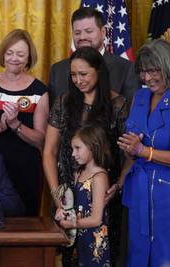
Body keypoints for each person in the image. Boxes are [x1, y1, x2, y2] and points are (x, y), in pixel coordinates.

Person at [43, 46, 128, 266]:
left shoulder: (118, 105)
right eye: (73, 75)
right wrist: (57, 194)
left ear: (98, 71)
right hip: (67, 196)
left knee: (101, 255)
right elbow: (49, 152)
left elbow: (130, 155)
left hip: (103, 196)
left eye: (83, 74)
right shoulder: (63, 102)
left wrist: (118, 184)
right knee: (68, 256)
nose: (78, 80)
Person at [0, 29, 49, 216]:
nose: (14, 58)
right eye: (10, 53)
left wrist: (16, 125)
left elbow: (41, 140)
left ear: (29, 57)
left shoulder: (39, 91)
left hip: (25, 170)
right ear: (3, 54)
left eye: (20, 54)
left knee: (24, 224)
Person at [117, 39, 170, 267]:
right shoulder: (140, 97)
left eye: (153, 70)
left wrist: (144, 151)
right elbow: (134, 149)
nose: (147, 78)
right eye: (143, 72)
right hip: (138, 191)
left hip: (165, 196)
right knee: (137, 256)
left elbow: (142, 149)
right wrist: (119, 182)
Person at [49, 7, 138, 105]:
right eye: (77, 33)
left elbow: (131, 112)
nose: (82, 37)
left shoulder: (126, 68)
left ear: (103, 32)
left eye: (89, 31)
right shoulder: (57, 70)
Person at [56, 126, 111, 267]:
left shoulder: (99, 177)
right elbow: (71, 204)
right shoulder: (78, 173)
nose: (73, 154)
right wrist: (61, 212)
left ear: (92, 146)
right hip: (79, 242)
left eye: (77, 148)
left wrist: (71, 224)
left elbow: (96, 219)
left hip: (94, 244)